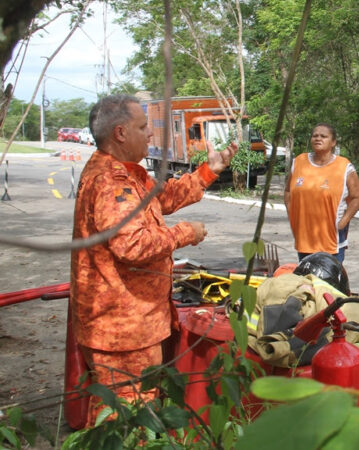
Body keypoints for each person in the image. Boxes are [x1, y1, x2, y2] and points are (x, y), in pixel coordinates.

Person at [70, 94, 238, 424]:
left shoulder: (128, 174)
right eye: (143, 127)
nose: (150, 134)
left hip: (135, 322)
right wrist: (185, 233)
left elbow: (163, 197)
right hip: (122, 328)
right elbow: (131, 245)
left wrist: (209, 171)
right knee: (126, 415)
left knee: (131, 406)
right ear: (120, 133)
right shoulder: (110, 182)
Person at [285, 123, 359, 263]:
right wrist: (293, 218)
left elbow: (357, 197)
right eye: (315, 135)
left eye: (323, 136)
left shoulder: (344, 166)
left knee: (329, 282)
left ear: (333, 142)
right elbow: (287, 192)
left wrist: (343, 222)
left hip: (332, 239)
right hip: (305, 238)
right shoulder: (298, 162)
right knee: (307, 281)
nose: (318, 139)